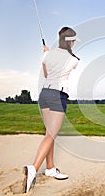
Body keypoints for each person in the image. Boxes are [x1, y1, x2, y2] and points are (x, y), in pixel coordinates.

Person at [23, 27, 79, 193]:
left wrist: (46, 55)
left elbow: (46, 74)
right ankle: (33, 168)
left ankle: (50, 168)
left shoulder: (48, 55)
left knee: (49, 133)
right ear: (70, 41)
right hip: (57, 95)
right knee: (51, 134)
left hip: (44, 94)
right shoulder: (73, 59)